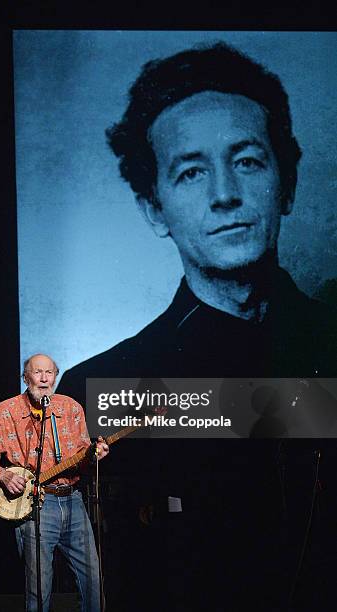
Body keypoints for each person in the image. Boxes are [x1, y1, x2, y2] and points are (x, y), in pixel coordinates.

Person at [55, 43, 337, 610]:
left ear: (288, 182)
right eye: (190, 172)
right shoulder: (95, 393)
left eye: (248, 160)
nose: (225, 194)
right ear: (154, 208)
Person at [0, 353, 109, 612]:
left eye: (49, 373)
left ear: (55, 376)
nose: (43, 378)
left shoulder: (71, 408)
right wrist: (3, 475)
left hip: (74, 501)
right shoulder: (6, 411)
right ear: (25, 377)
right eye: (37, 372)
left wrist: (95, 455)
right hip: (35, 506)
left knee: (93, 582)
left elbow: (83, 458)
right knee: (39, 588)